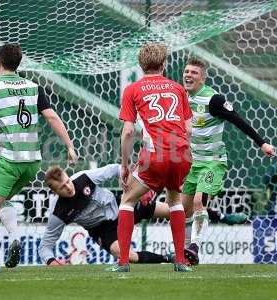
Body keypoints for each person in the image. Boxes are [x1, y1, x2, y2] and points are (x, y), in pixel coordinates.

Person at [0, 43, 78, 273]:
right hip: (32, 163)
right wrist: (70, 145)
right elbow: (52, 117)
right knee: (0, 200)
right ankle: (15, 237)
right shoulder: (34, 87)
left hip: (9, 160)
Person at [181, 57, 275, 265]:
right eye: (186, 71)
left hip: (212, 162)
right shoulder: (181, 97)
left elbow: (239, 121)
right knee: (181, 210)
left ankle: (194, 248)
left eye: (194, 73)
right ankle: (186, 250)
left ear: (202, 78)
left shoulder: (214, 99)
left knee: (199, 201)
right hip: (191, 163)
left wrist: (262, 144)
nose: (188, 75)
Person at [115, 43, 193, 272]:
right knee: (175, 201)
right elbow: (188, 129)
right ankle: (180, 261)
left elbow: (128, 131)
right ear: (164, 64)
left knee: (127, 200)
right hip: (182, 153)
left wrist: (124, 165)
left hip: (155, 155)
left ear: (141, 65)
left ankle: (122, 263)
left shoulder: (133, 90)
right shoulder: (178, 88)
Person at [39, 164, 174, 266]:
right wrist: (51, 261)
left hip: (120, 206)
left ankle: (189, 247)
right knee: (126, 255)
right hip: (102, 229)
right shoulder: (58, 212)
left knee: (173, 212)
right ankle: (168, 258)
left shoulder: (83, 178)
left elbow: (115, 169)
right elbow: (45, 246)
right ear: (55, 192)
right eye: (62, 187)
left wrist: (128, 182)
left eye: (67, 181)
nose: (68, 187)